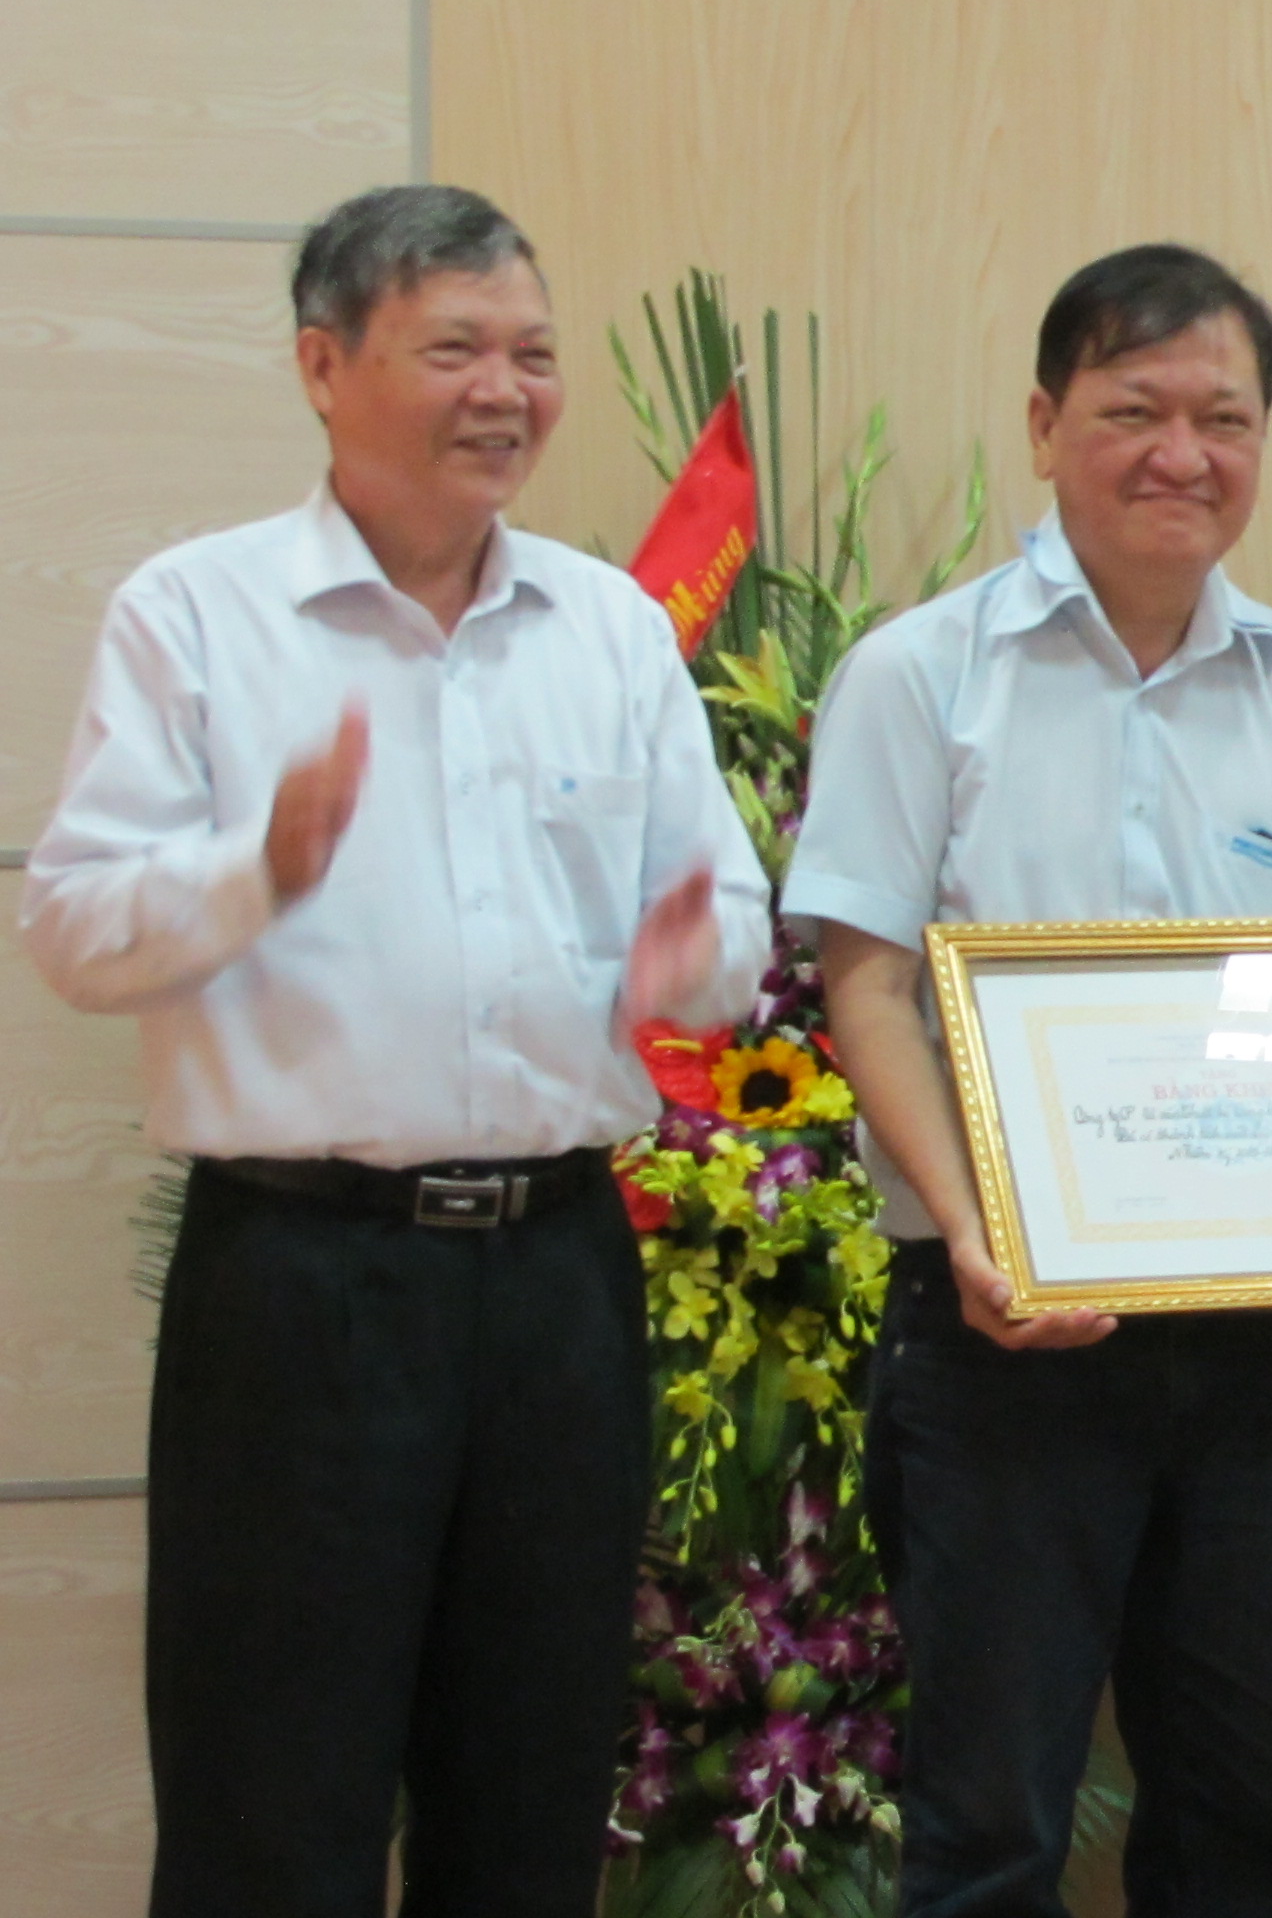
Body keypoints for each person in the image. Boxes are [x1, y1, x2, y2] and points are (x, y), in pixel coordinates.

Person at [20, 184, 770, 1916]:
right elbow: (71, 928)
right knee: (269, 1800)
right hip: (302, 1285)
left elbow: (727, 920)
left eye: (533, 353)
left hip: (560, 1278)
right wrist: (257, 869)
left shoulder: (609, 627)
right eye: (454, 350)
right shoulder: (196, 614)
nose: (506, 390)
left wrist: (692, 954)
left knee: (531, 1789)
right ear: (322, 366)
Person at [788, 243, 1272, 1918]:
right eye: (1134, 410)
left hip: (1250, 1345)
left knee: (1245, 1822)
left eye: (1224, 418)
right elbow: (867, 984)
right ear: (1047, 425)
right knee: (989, 1827)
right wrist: (978, 1232)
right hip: (997, 1335)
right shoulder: (922, 675)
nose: (1183, 453)